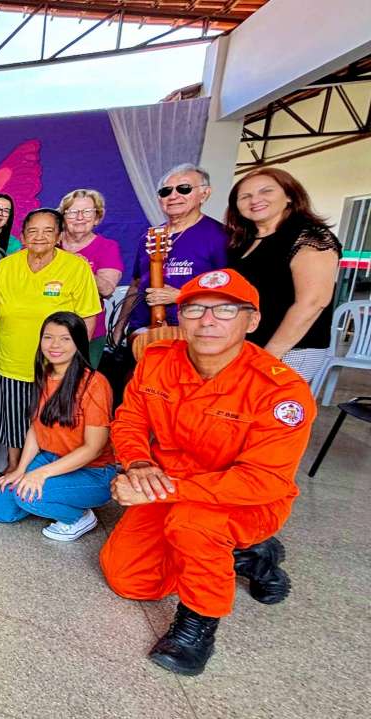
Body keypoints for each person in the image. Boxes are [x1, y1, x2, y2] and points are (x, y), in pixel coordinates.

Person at [100, 269, 314, 676]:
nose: (208, 320)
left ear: (251, 321)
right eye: (195, 309)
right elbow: (129, 420)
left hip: (244, 500)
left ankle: (197, 625)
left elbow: (261, 480)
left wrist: (160, 492)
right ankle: (247, 555)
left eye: (225, 310)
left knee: (193, 527)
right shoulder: (158, 362)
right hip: (166, 482)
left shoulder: (280, 391)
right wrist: (138, 465)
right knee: (129, 579)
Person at [0, 208, 102, 479]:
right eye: (32, 230)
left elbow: (88, 316)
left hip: (56, 362)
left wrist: (75, 358)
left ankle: (49, 469)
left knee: (52, 417)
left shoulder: (75, 267)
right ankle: (13, 464)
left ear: (58, 235)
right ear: (22, 235)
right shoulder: (7, 266)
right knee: (13, 417)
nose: (39, 237)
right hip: (11, 358)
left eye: (47, 231)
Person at [0, 312, 117, 539]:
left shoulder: (95, 383)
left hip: (94, 472)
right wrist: (20, 470)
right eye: (48, 337)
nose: (55, 345)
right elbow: (36, 429)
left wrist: (41, 474)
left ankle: (80, 517)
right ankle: (53, 496)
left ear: (78, 342)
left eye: (65, 339)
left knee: (28, 495)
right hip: (51, 457)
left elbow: (93, 448)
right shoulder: (45, 375)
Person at [227, 168, 341, 382]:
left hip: (289, 350)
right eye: (245, 196)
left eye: (266, 191)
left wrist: (269, 355)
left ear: (289, 196)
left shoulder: (310, 237)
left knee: (267, 410)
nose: (255, 200)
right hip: (246, 345)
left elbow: (313, 302)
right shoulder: (242, 241)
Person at [115, 164, 229, 340]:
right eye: (165, 191)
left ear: (204, 194)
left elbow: (231, 292)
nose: (173, 196)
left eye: (184, 189)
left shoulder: (221, 237)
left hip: (194, 335)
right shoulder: (149, 236)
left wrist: (182, 296)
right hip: (141, 334)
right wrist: (118, 331)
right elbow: (136, 284)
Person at [57, 189, 123, 365]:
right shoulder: (47, 242)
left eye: (87, 211)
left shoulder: (107, 247)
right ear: (63, 217)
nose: (80, 217)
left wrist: (80, 268)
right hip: (46, 329)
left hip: (89, 333)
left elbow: (107, 289)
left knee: (80, 385)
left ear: (97, 217)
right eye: (72, 212)